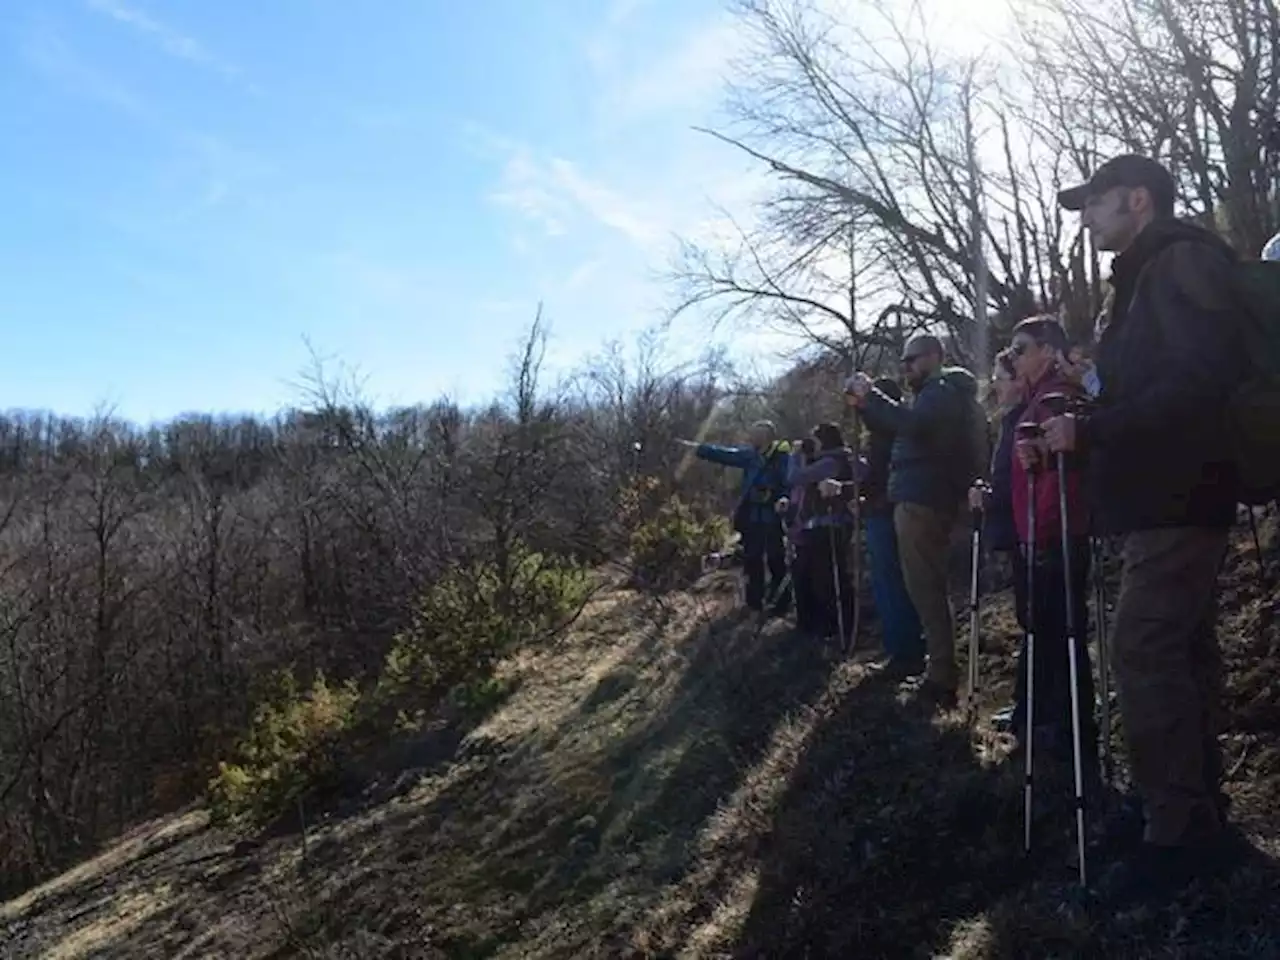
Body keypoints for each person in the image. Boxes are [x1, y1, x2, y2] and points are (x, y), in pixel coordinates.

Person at [1047, 154, 1245, 902]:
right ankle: (1193, 809)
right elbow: (1153, 386)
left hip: (1183, 493)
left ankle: (1179, 832)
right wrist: (1090, 415)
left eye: (1094, 203)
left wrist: (1093, 434)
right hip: (1163, 496)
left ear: (1137, 199)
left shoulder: (1180, 263)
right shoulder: (1141, 278)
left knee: (1142, 649)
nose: (1086, 217)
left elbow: (1197, 384)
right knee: (1179, 651)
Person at [844, 335, 982, 709]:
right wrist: (866, 407)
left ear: (934, 357)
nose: (905, 367)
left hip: (923, 500)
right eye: (902, 361)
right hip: (920, 498)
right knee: (924, 586)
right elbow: (899, 427)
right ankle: (937, 670)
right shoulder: (934, 394)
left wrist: (871, 396)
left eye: (911, 359)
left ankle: (940, 677)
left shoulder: (939, 391)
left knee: (925, 588)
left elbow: (912, 426)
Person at [1006, 318, 1099, 782]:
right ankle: (1051, 725)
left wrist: (1040, 534)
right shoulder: (1033, 402)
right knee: (1044, 633)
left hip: (1056, 534)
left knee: (1064, 635)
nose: (1013, 358)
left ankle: (1073, 734)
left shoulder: (1062, 398)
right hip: (1038, 534)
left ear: (1047, 350)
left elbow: (1060, 481)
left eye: (1020, 349)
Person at [677, 421, 793, 615]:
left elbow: (789, 483)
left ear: (767, 436)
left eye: (757, 434)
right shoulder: (750, 456)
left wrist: (781, 498)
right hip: (751, 518)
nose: (752, 437)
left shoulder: (783, 459)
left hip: (773, 517)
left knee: (776, 560)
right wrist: (698, 449)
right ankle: (753, 604)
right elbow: (725, 455)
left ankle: (780, 605)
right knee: (752, 560)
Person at [971, 349, 1027, 731]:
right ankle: (1028, 706)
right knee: (1029, 620)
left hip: (1031, 532)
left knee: (1038, 621)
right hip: (1020, 531)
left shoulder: (1023, 419)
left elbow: (1019, 482)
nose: (995, 385)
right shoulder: (1009, 421)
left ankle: (1037, 711)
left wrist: (990, 498)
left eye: (1001, 377)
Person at [858, 378, 926, 677]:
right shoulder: (880, 434)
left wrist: (871, 496)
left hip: (886, 511)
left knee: (893, 581)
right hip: (878, 508)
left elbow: (884, 474)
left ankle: (906, 650)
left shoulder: (891, 433)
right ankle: (898, 647)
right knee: (887, 582)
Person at [777, 423, 857, 645]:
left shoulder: (831, 462)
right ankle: (824, 627)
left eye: (815, 440)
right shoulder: (839, 459)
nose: (812, 444)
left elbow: (794, 477)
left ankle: (836, 628)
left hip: (828, 526)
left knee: (828, 578)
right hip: (823, 526)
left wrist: (795, 456)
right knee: (819, 577)